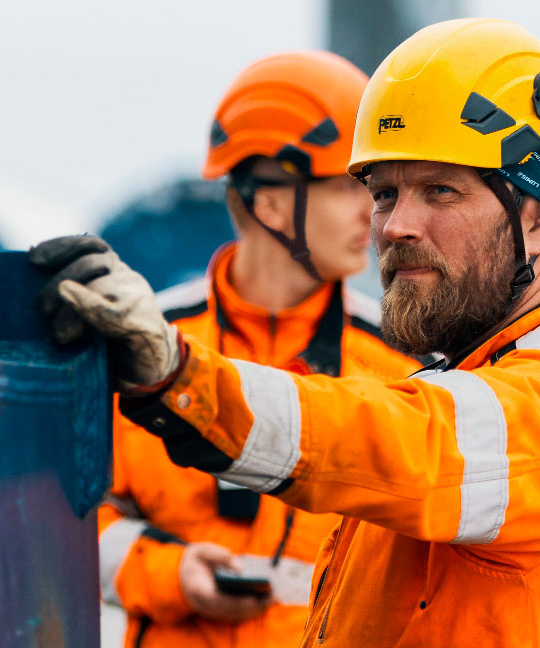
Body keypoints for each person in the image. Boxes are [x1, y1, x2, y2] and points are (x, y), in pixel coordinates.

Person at [39, 18, 540, 645]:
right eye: (383, 193)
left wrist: (180, 375)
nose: (394, 226)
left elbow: (406, 440)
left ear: (539, 210)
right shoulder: (469, 372)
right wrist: (163, 570)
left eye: (440, 191)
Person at [96, 50, 422, 648]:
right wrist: (171, 574)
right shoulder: (144, 350)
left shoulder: (402, 367)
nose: (375, 215)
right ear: (270, 202)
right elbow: (70, 516)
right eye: (353, 186)